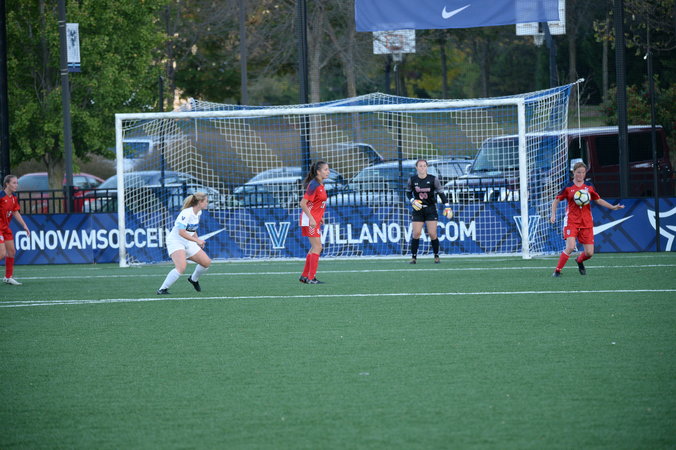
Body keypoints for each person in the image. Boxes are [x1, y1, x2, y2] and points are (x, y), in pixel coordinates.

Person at [550, 161, 624, 277]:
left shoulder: (589, 186)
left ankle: (579, 260)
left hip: (586, 221)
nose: (581, 175)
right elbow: (556, 200)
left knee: (589, 253)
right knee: (570, 247)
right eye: (578, 172)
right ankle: (557, 271)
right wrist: (553, 214)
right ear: (573, 172)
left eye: (583, 172)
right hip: (571, 221)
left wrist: (613, 207)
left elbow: (598, 200)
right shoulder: (568, 187)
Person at [157, 192, 212, 294]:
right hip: (176, 241)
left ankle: (193, 279)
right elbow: (181, 232)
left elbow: (192, 229)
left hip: (188, 241)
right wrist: (197, 240)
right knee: (181, 267)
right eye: (206, 201)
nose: (207, 203)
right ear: (200, 202)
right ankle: (162, 289)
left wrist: (197, 239)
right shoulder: (186, 213)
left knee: (206, 263)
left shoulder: (198, 212)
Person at [406, 159, 453, 264]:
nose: (422, 168)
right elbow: (408, 193)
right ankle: (413, 257)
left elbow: (441, 193)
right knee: (416, 233)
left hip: (430, 209)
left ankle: (436, 256)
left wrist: (447, 206)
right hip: (418, 209)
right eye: (420, 166)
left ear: (427, 167)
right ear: (416, 167)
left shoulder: (433, 179)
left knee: (432, 233)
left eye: (424, 166)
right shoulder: (412, 180)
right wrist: (412, 200)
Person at [299, 161, 330, 284]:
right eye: (325, 169)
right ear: (318, 172)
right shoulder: (314, 185)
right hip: (309, 220)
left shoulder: (320, 185)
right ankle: (311, 278)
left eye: (328, 169)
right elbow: (303, 203)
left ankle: (304, 276)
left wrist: (319, 216)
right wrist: (312, 218)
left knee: (314, 248)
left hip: (314, 219)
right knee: (318, 247)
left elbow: (317, 203)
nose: (328, 172)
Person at [0, 175, 31, 285]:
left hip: (5, 228)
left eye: (17, 183)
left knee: (11, 252)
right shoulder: (1, 196)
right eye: (14, 183)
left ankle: (8, 277)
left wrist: (24, 226)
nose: (16, 185)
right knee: (2, 253)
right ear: (7, 184)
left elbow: (15, 212)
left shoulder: (13, 197)